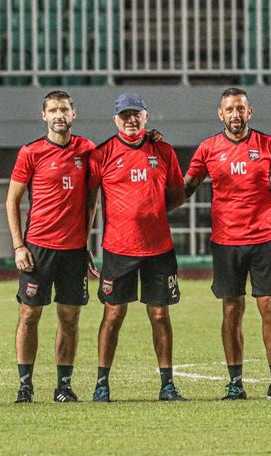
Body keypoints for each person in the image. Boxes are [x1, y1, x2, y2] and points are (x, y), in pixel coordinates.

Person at [184, 88, 271, 401]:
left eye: (240, 109)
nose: (235, 115)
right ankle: (235, 382)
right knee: (232, 310)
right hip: (226, 241)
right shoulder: (208, 149)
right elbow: (187, 186)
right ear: (220, 114)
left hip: (264, 239)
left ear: (249, 112)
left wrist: (269, 198)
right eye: (229, 109)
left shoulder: (266, 143)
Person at [87, 91, 187, 402]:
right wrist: (83, 242)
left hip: (158, 248)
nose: (131, 120)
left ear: (146, 117)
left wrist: (152, 211)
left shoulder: (163, 150)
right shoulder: (101, 154)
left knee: (159, 315)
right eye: (124, 115)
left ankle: (167, 385)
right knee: (113, 314)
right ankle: (102, 384)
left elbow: (178, 193)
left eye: (136, 114)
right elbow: (89, 202)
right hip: (119, 248)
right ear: (115, 120)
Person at [5, 90, 98, 403]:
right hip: (38, 248)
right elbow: (12, 201)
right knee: (29, 315)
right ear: (43, 116)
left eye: (64, 110)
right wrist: (19, 246)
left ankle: (64, 386)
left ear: (74, 114)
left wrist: (85, 243)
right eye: (53, 110)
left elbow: (91, 200)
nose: (59, 115)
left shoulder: (87, 150)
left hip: (73, 251)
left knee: (69, 318)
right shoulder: (30, 152)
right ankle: (25, 386)